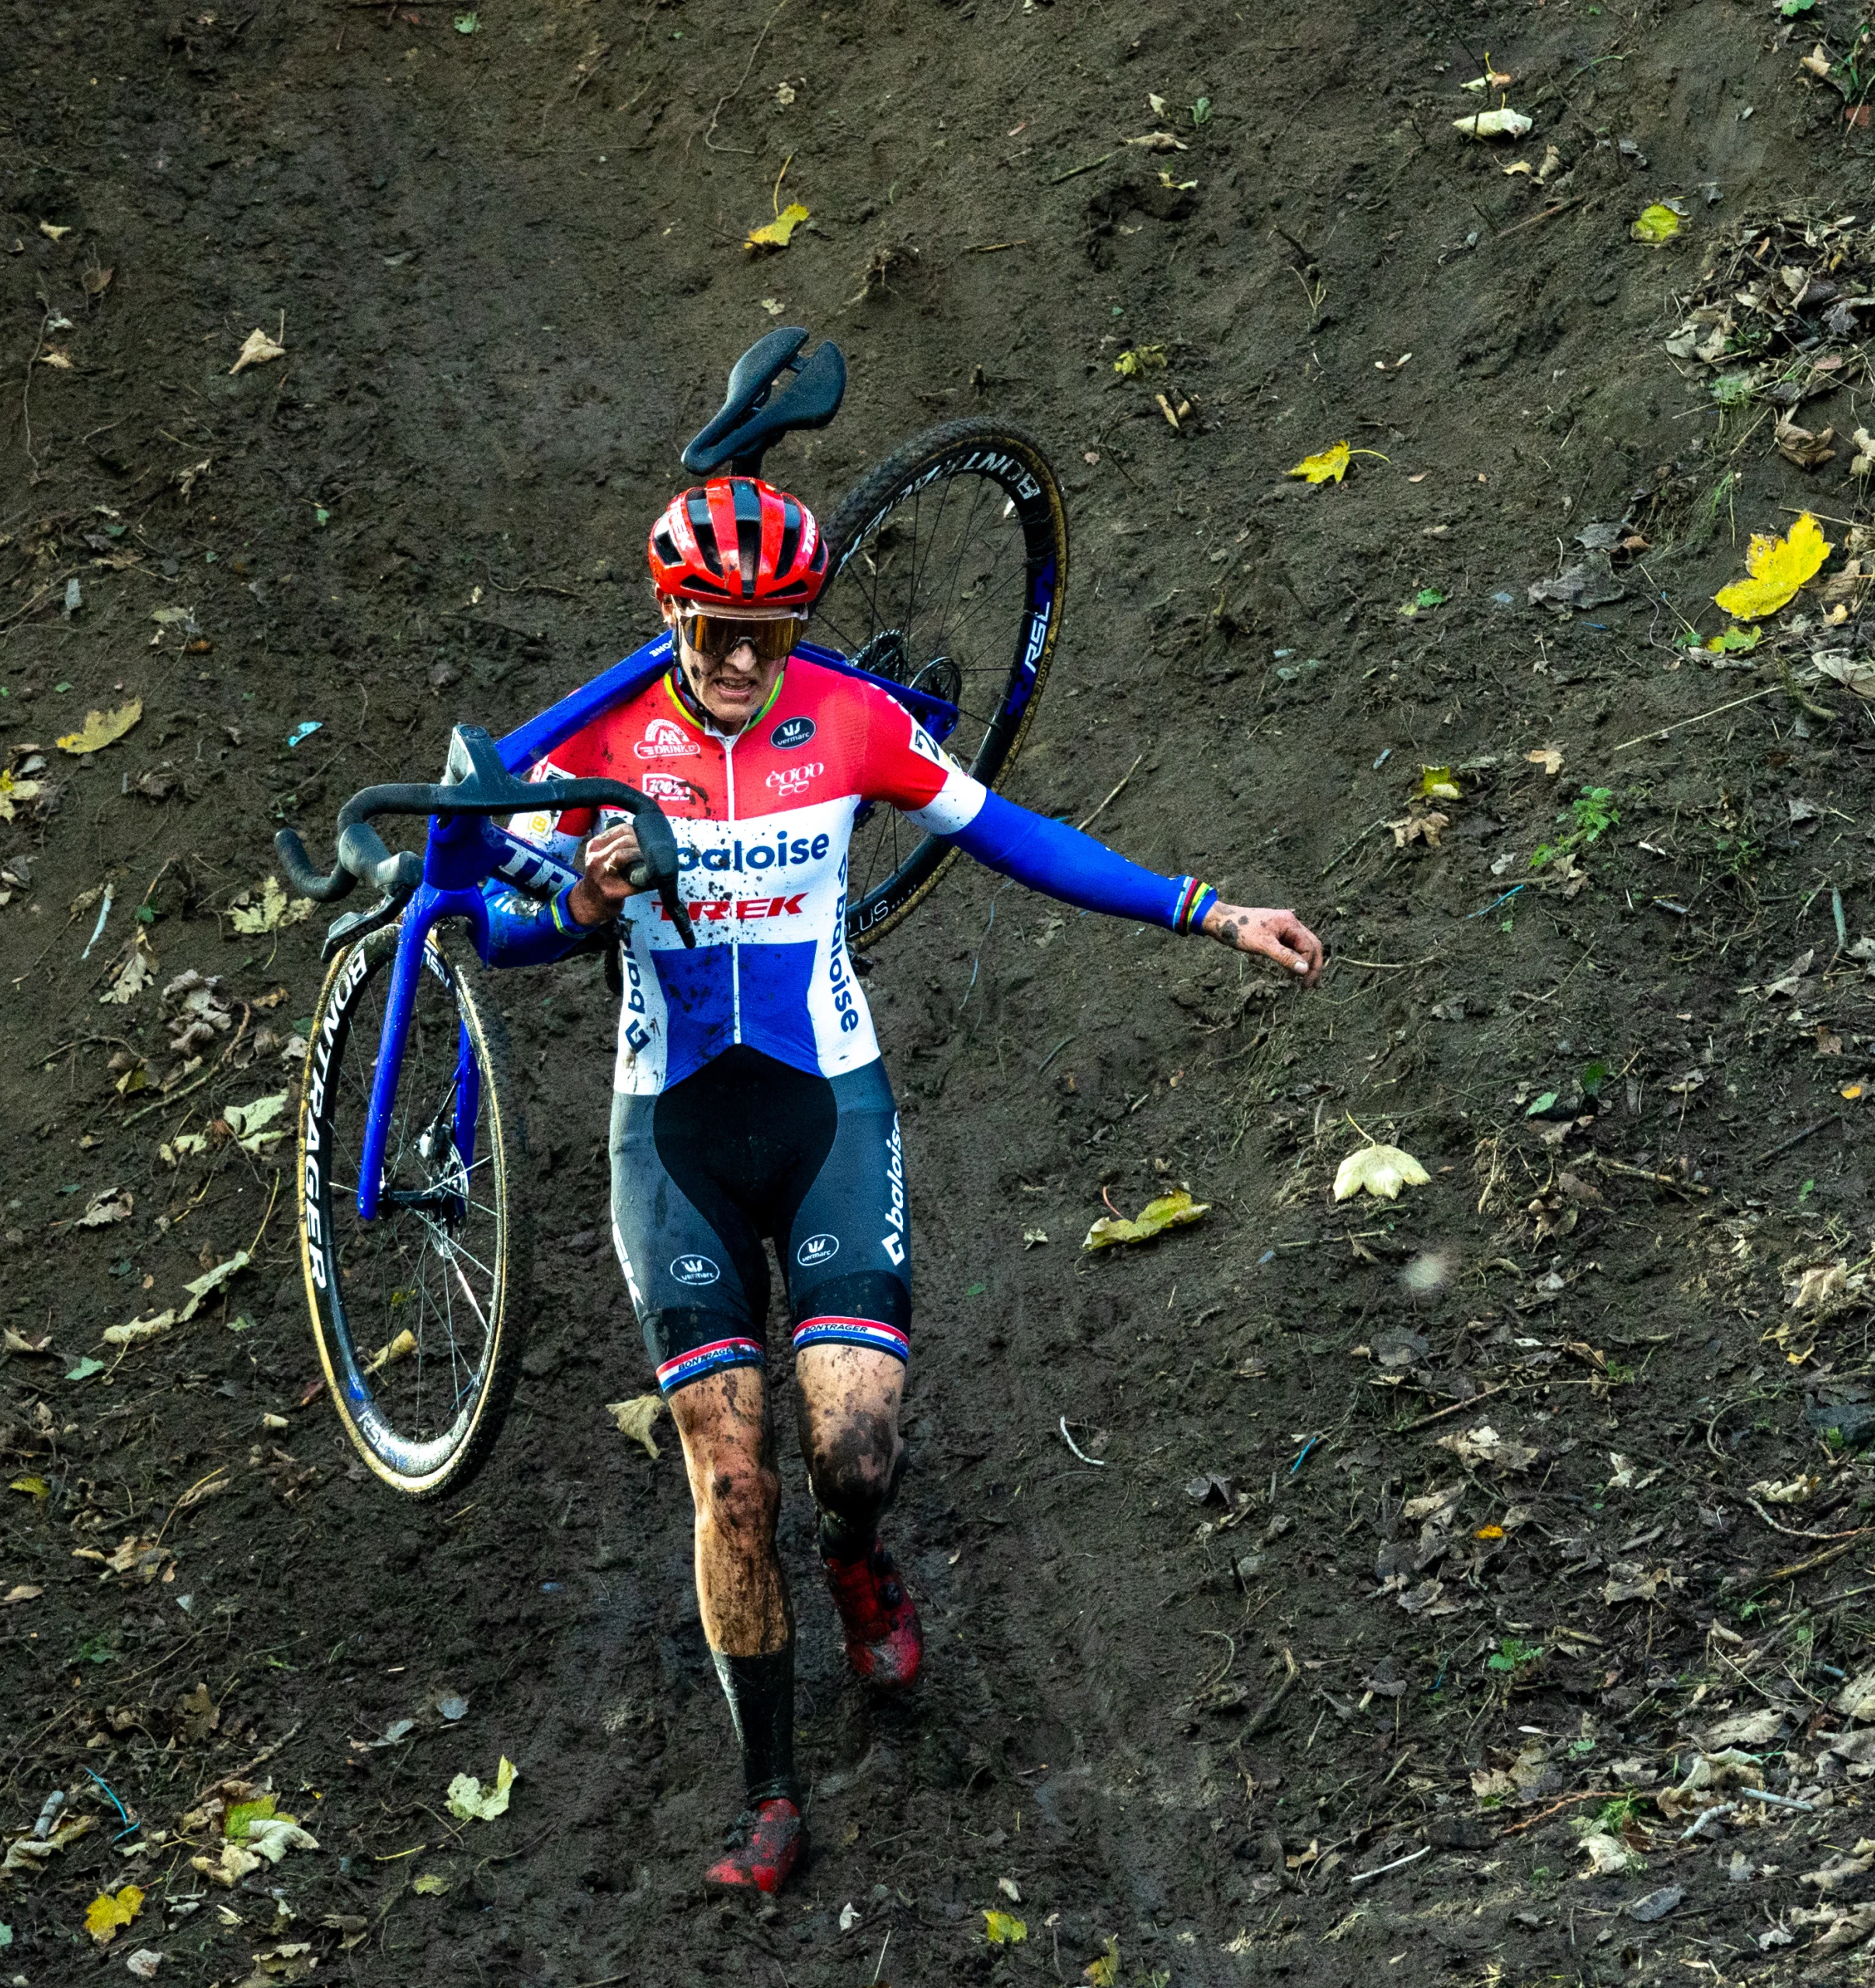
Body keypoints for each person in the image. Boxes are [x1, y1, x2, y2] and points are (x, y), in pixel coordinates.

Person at [480, 473, 1323, 1894]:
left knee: (850, 1455)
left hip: (829, 1112)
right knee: (729, 1481)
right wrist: (581, 898)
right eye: (713, 631)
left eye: (771, 628)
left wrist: (1207, 908)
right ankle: (771, 1796)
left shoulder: (856, 716)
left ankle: (860, 1554)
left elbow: (1012, 833)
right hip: (670, 1135)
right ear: (669, 615)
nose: (743, 660)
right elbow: (493, 930)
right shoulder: (600, 745)